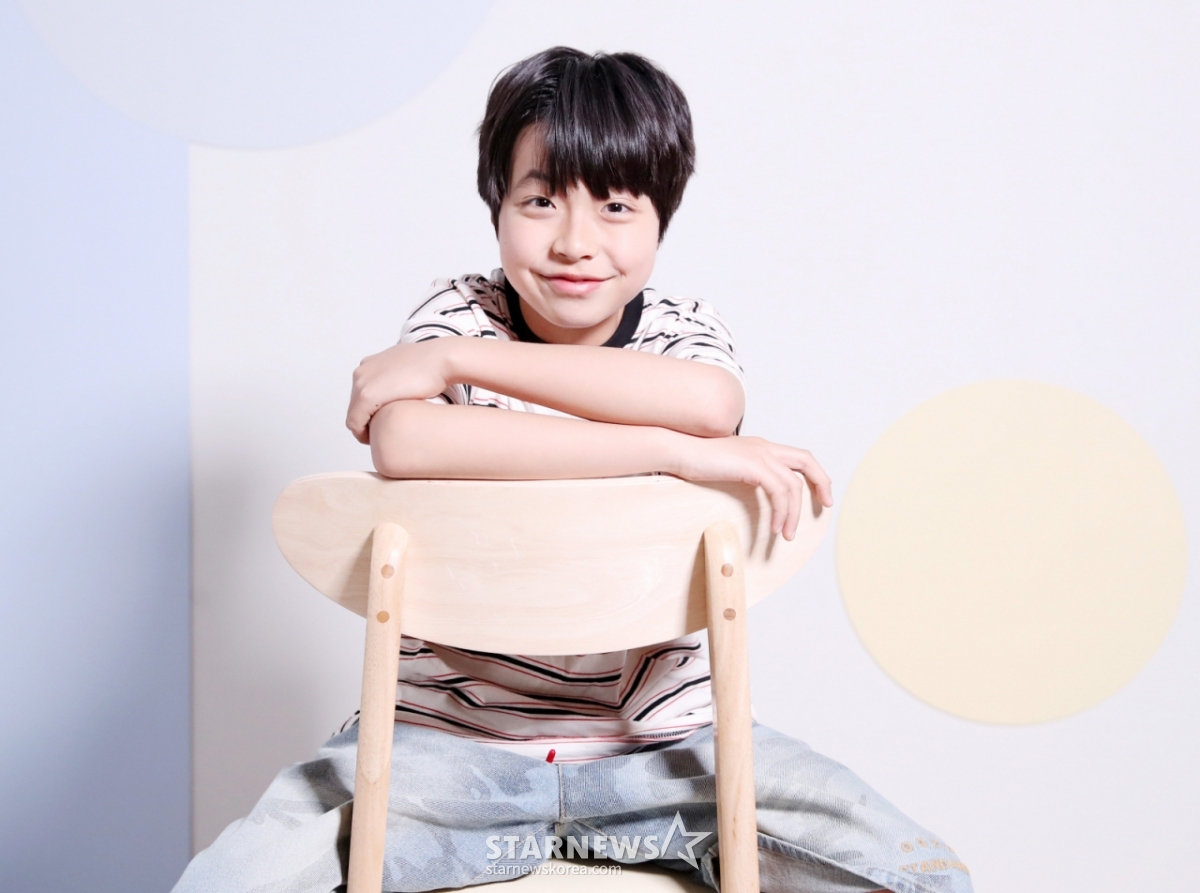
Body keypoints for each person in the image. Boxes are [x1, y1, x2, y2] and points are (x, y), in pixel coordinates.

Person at [174, 47, 973, 893]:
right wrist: (668, 452)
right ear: (497, 203)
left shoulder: (679, 332)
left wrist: (458, 366)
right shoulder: (458, 317)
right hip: (444, 752)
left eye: (617, 205)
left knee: (927, 876)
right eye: (541, 200)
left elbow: (707, 403)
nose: (575, 242)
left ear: (662, 219)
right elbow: (404, 442)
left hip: (665, 753)